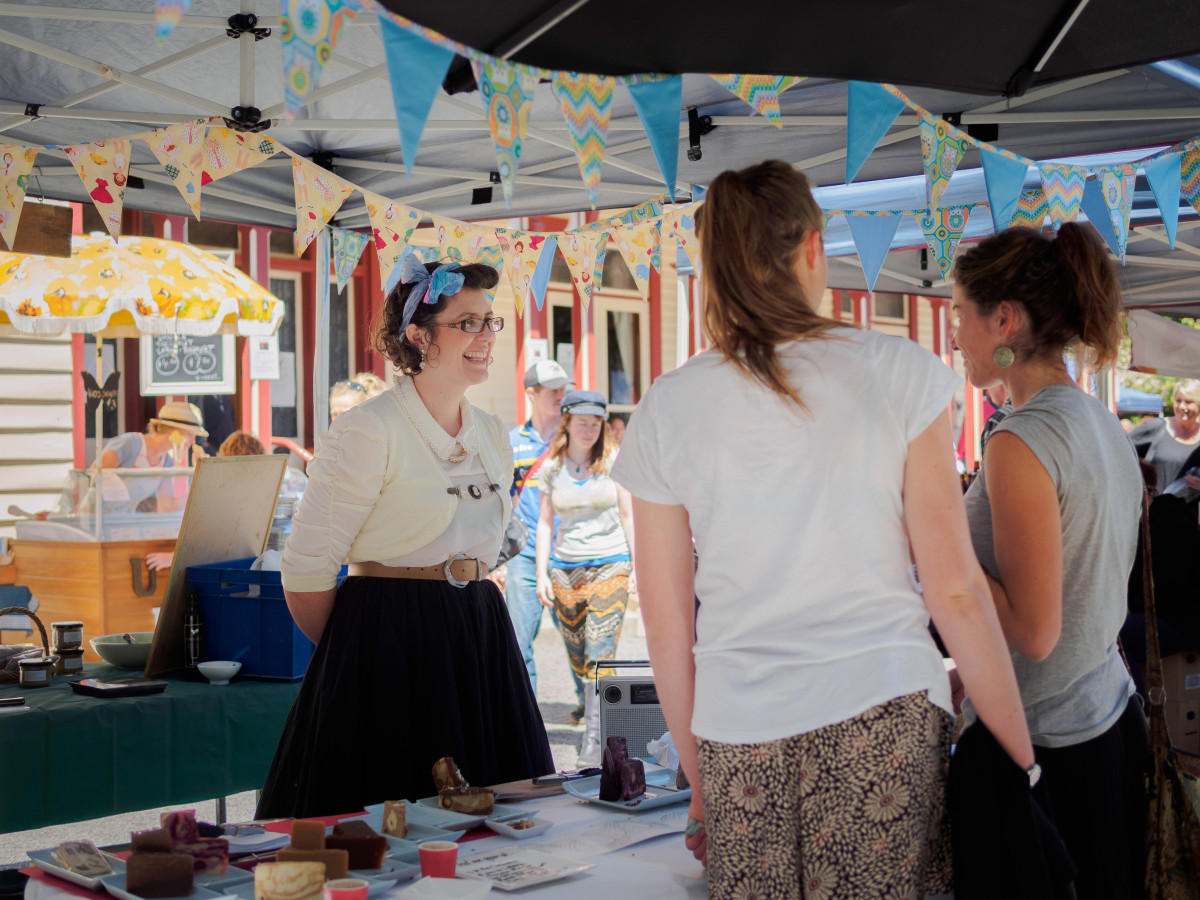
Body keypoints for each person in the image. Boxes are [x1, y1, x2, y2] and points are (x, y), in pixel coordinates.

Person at [611, 160, 1034, 899]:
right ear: (812, 247)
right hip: (881, 708)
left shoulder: (668, 407)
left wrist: (699, 769)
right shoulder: (899, 370)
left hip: (739, 726)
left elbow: (665, 620)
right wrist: (1022, 760)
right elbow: (955, 589)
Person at [257, 252, 552, 818]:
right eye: (468, 322)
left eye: (490, 321)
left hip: (480, 637)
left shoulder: (492, 431)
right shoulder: (368, 429)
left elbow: (495, 540)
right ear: (418, 335)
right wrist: (362, 650)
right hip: (389, 641)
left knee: (496, 823)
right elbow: (307, 571)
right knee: (389, 826)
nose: (487, 335)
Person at [953, 223, 1148, 899]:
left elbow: (1035, 633)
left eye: (959, 313)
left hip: (1048, 752)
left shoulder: (1022, 440)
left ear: (1002, 319)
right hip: (1107, 720)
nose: (954, 333)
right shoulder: (1099, 421)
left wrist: (939, 551)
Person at [535, 390, 635, 766]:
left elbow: (628, 515)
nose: (590, 430)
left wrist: (635, 565)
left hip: (612, 562)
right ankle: (589, 702)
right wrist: (543, 571)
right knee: (577, 652)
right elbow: (545, 522)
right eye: (583, 423)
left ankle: (595, 738)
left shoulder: (614, 461)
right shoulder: (552, 466)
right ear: (568, 424)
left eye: (596, 424)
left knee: (600, 649)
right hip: (566, 568)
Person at [503, 359, 571, 702]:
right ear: (531, 393)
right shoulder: (512, 442)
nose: (561, 394)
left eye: (563, 388)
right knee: (518, 641)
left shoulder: (576, 438)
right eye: (552, 390)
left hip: (573, 553)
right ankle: (528, 715)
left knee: (581, 642)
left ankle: (590, 711)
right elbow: (502, 503)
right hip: (525, 557)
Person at [145, 430, 267, 572]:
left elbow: (209, 544)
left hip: (223, 572)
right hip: (251, 569)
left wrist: (171, 559)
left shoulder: (226, 496)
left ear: (226, 458)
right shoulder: (257, 490)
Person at [100, 401, 208, 513]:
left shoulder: (166, 462)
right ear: (172, 429)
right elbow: (93, 475)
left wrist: (200, 486)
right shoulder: (130, 443)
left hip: (124, 521)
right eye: (190, 434)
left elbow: (169, 507)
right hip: (96, 517)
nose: (193, 441)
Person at [1129, 379, 1200, 491]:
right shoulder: (1155, 427)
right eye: (1178, 401)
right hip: (1156, 506)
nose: (1182, 406)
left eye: (1188, 402)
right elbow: (1124, 450)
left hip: (1191, 507)